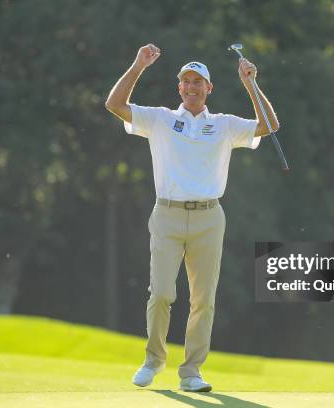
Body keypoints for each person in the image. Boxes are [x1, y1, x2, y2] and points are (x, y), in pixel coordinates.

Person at [105, 43, 279, 392]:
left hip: (209, 217)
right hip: (167, 214)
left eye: (198, 81)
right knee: (162, 294)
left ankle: (191, 373)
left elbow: (270, 125)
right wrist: (138, 66)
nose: (191, 86)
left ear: (209, 88)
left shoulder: (224, 125)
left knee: (203, 299)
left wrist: (251, 84)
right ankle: (153, 360)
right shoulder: (160, 119)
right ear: (179, 87)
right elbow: (114, 105)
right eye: (186, 81)